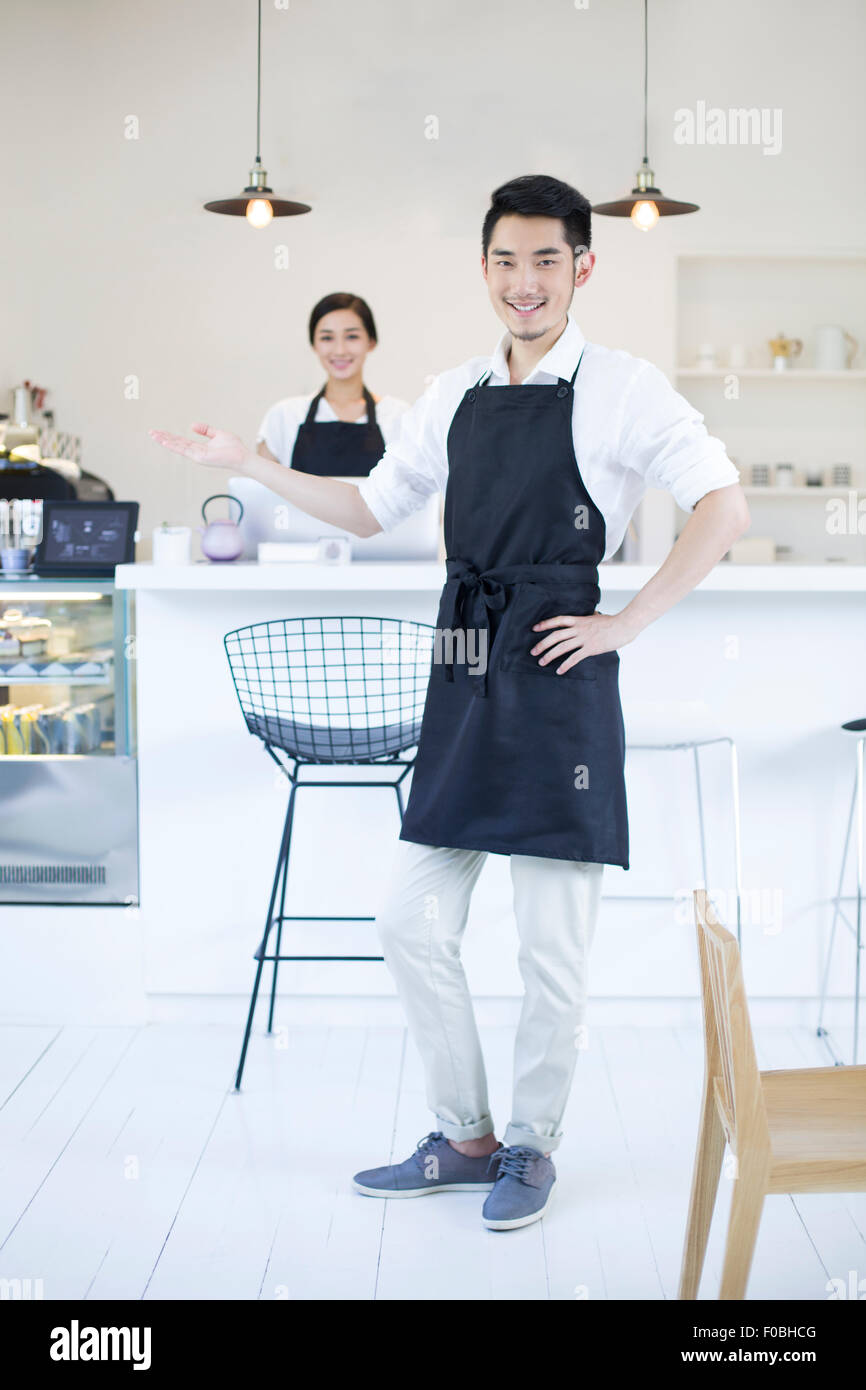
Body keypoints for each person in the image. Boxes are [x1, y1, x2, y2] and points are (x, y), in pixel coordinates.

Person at [149, 174, 749, 1233]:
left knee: (547, 947)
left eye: (547, 261)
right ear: (484, 270)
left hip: (561, 667)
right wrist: (252, 462)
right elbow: (372, 505)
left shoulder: (622, 386)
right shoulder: (452, 391)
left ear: (581, 268)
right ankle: (465, 1134)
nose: (525, 282)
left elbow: (722, 500)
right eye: (506, 262)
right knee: (409, 919)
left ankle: (531, 1146)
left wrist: (627, 619)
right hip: (464, 653)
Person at [256, 292, 410, 477]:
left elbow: (417, 498)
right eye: (327, 338)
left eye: (352, 336)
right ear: (314, 344)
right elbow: (263, 495)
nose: (340, 350)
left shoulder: (398, 416)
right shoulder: (285, 416)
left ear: (371, 342)